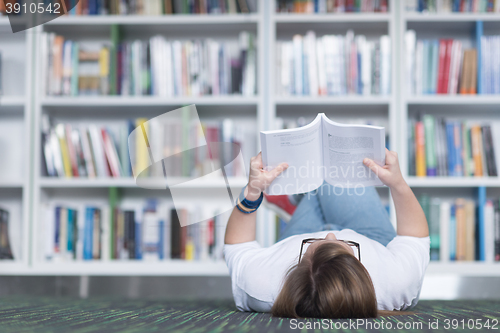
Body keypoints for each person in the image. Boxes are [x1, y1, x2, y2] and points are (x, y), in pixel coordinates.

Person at [223, 149, 430, 318]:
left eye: (315, 243)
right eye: (345, 245)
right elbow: (415, 236)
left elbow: (237, 245)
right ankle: (301, 197)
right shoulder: (397, 281)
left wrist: (253, 192)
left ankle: (298, 199)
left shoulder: (262, 285)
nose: (330, 235)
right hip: (371, 237)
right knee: (335, 169)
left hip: (293, 238)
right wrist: (397, 183)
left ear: (296, 266)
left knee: (317, 171)